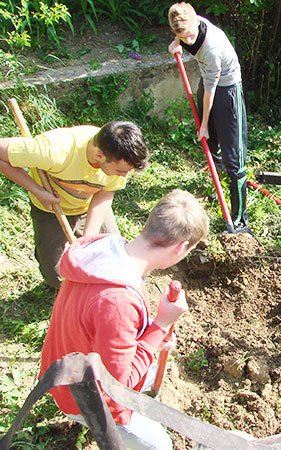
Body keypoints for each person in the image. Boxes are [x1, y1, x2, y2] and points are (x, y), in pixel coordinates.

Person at [39, 189, 209, 450]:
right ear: (179, 248)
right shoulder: (117, 301)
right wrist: (161, 324)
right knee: (159, 445)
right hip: (85, 397)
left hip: (66, 364)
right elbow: (119, 387)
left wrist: (151, 335)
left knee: (149, 372)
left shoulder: (104, 251)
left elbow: (108, 329)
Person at [0, 121, 148, 288]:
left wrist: (87, 239)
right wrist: (39, 192)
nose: (123, 176)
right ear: (100, 155)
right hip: (50, 209)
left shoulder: (121, 157)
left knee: (116, 256)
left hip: (88, 204)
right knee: (57, 274)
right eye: (120, 171)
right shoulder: (55, 150)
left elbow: (104, 194)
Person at [168, 2, 250, 233]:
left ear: (197, 23)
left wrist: (204, 124)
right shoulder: (186, 24)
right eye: (184, 37)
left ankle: (241, 219)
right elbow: (181, 38)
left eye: (190, 35)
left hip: (227, 90)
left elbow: (212, 94)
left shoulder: (212, 47)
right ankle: (218, 179)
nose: (189, 41)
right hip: (209, 85)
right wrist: (176, 43)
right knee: (212, 144)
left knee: (235, 158)